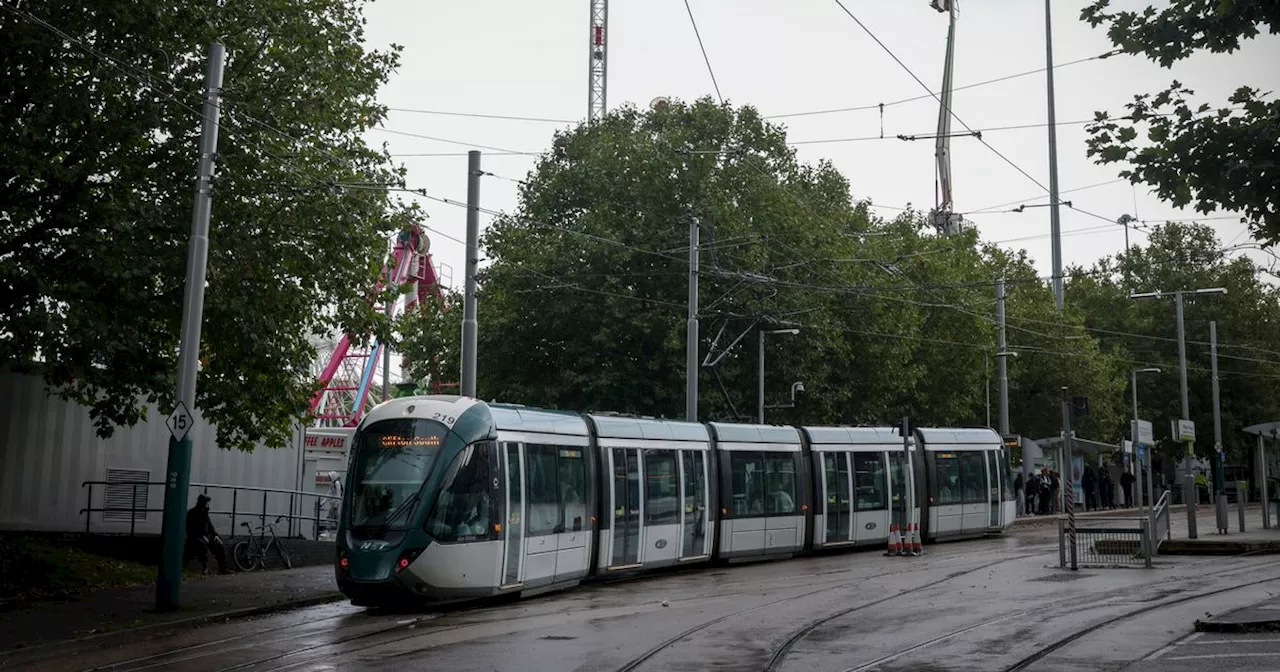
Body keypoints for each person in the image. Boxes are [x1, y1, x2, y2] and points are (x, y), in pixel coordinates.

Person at [185, 494, 229, 574]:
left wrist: (215, 535)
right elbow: (190, 529)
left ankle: (223, 568)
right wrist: (201, 536)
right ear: (202, 503)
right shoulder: (192, 513)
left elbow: (210, 526)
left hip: (207, 536)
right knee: (202, 545)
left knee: (219, 544)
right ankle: (205, 567)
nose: (208, 505)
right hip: (196, 537)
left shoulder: (205, 513)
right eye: (206, 503)